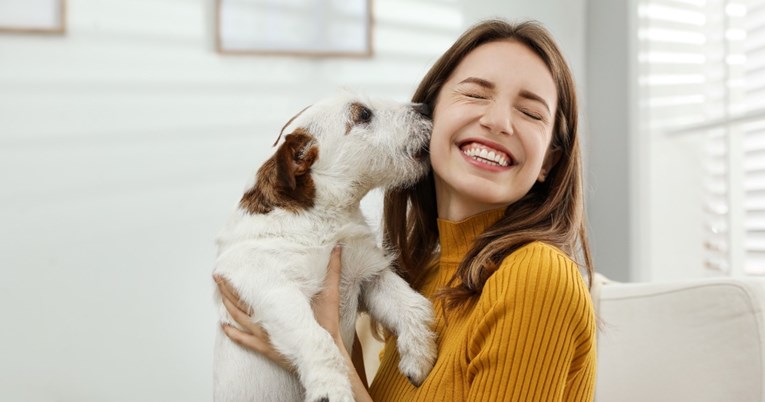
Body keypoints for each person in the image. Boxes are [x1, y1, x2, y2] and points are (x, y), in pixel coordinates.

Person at [215, 18, 597, 401]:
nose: (497, 122)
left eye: (531, 113)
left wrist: (327, 348)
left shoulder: (537, 277)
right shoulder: (427, 275)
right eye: (476, 95)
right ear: (431, 111)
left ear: (549, 160)